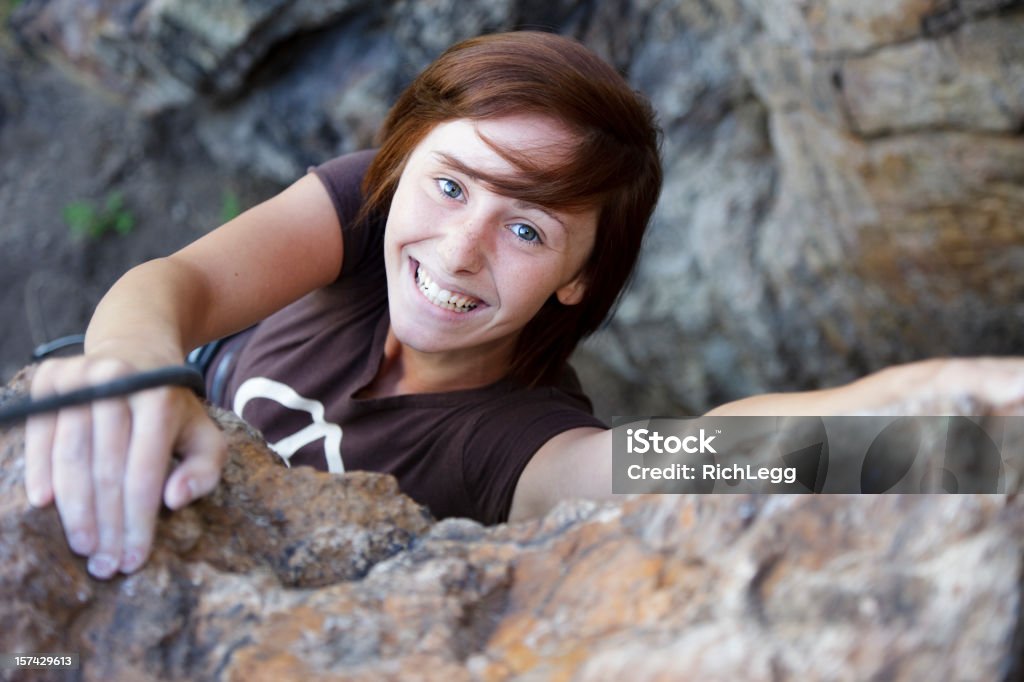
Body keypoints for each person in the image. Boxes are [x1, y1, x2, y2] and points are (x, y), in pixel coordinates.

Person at [21, 31, 1024, 581]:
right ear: (404, 162)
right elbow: (177, 286)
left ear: (579, 277)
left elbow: (699, 456)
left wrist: (960, 422)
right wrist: (131, 366)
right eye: (450, 185)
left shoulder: (519, 444)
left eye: (529, 229)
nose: (457, 248)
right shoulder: (362, 210)